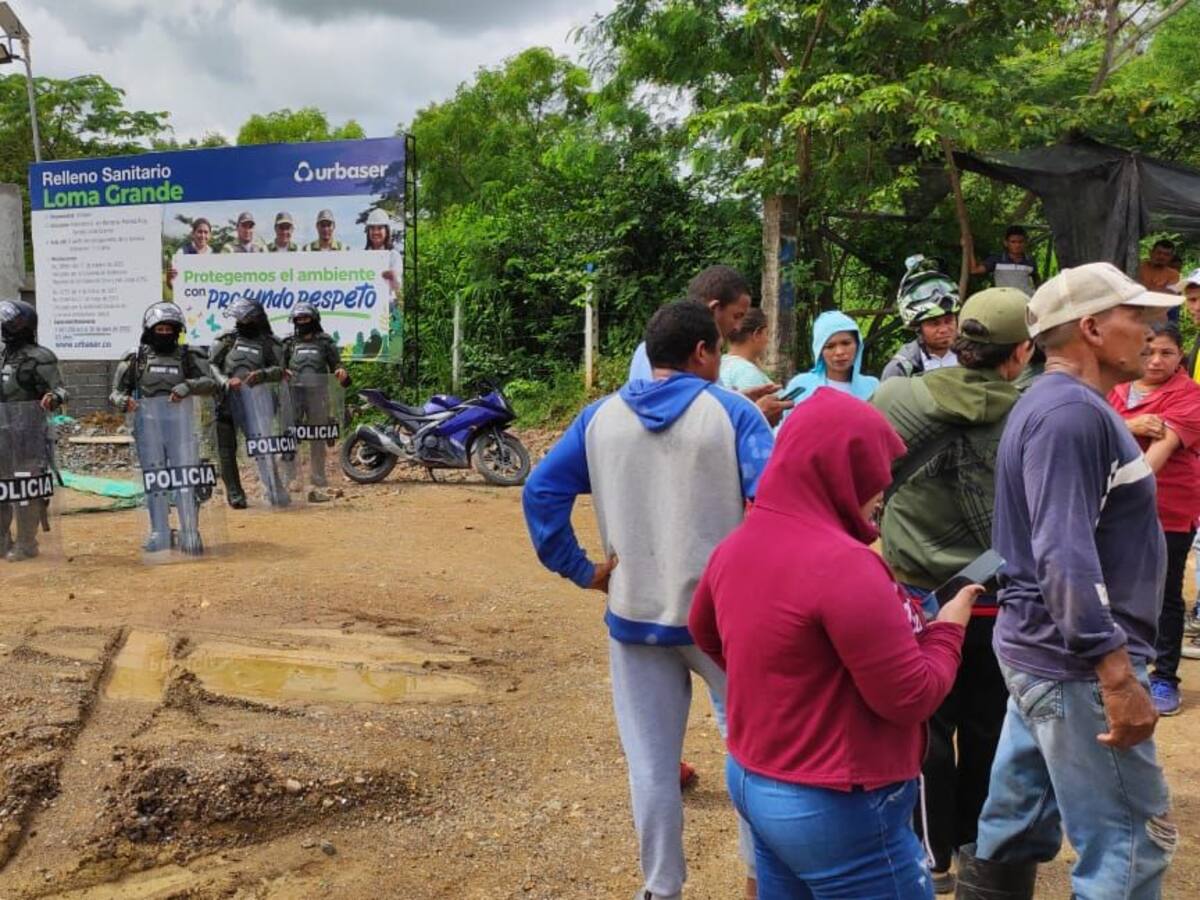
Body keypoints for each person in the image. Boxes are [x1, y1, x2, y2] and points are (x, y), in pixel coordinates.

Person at [523, 300, 774, 900]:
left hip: (634, 616)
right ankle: (757, 880)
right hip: (722, 622)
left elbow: (539, 492)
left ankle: (661, 889)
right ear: (702, 352)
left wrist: (582, 570)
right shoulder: (735, 415)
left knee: (652, 767)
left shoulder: (600, 418)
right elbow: (775, 507)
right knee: (752, 754)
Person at [689, 388, 975, 900]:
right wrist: (948, 629)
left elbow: (705, 632)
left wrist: (789, 684)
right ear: (840, 472)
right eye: (872, 478)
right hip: (836, 797)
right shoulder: (846, 564)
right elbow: (910, 697)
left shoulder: (737, 544)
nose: (881, 494)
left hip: (758, 778)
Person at [958, 262, 1179, 900]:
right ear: (1090, 328)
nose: (1150, 329)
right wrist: (1114, 672)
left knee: (1015, 823)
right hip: (1077, 667)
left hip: (1045, 655)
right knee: (1131, 843)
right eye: (1135, 316)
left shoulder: (1056, 407)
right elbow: (1064, 554)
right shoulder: (1072, 418)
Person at [870, 287, 1033, 894]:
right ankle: (975, 845)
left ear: (956, 337)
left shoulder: (894, 398)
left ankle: (932, 856)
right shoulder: (1026, 413)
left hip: (917, 596)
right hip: (994, 596)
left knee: (927, 729)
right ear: (1020, 352)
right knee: (990, 726)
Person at [1107, 321, 1200, 713]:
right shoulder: (1114, 389)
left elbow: (1156, 457)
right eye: (1148, 351)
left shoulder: (1190, 397)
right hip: (1111, 509)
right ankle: (1124, 670)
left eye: (1166, 352)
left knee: (1164, 594)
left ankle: (1163, 677)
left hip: (1166, 510)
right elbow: (1089, 429)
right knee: (1113, 591)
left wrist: (1118, 431)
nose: (1156, 360)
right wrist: (1130, 424)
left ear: (1181, 357)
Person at [110, 302, 217, 554]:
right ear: (149, 329)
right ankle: (159, 531)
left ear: (178, 330)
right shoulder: (136, 358)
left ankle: (190, 530)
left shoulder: (190, 355)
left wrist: (188, 386)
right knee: (155, 481)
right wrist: (124, 401)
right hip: (148, 429)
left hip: (181, 428)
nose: (165, 332)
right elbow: (115, 392)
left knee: (184, 480)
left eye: (170, 328)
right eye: (160, 327)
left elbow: (210, 383)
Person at [630, 266, 791, 426]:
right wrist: (754, 414)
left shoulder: (704, 353)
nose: (738, 327)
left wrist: (739, 400)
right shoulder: (663, 351)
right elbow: (671, 422)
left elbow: (701, 405)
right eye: (736, 316)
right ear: (713, 310)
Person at [0, 299, 67, 562]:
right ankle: (2, 540)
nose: (6, 326)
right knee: (3, 487)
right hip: (2, 434)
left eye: (12, 322)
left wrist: (52, 397)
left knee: (25, 488)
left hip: (28, 433)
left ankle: (27, 543)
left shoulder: (41, 357)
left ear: (25, 325)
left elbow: (61, 389)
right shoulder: (3, 355)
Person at [209, 298, 287, 509]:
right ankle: (235, 493)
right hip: (227, 402)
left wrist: (260, 375)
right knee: (226, 450)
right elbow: (212, 366)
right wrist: (225, 381)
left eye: (245, 318)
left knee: (262, 446)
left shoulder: (270, 343)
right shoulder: (226, 340)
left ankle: (274, 488)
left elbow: (281, 370)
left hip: (257, 403)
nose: (240, 322)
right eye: (238, 318)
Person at [283, 301, 349, 491]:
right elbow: (278, 366)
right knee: (290, 434)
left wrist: (341, 372)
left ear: (314, 319)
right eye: (299, 319)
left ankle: (318, 474)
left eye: (306, 318)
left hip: (318, 394)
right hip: (293, 394)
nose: (302, 321)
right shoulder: (288, 343)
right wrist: (282, 372)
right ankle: (290, 475)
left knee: (318, 434)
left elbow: (337, 364)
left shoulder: (325, 342)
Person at [778, 310, 879, 421]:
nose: (839, 352)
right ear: (819, 350)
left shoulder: (872, 387)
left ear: (858, 344)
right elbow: (786, 431)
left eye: (846, 343)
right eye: (830, 346)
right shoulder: (801, 387)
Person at [881, 256, 960, 380]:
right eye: (935, 323)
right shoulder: (899, 370)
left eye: (948, 321)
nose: (944, 329)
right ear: (918, 327)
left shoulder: (977, 357)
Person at [968, 226, 1040, 296]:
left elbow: (1036, 281)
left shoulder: (1030, 261)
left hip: (1025, 302)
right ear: (1006, 243)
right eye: (1013, 242)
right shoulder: (997, 260)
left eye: (1020, 242)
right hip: (1003, 302)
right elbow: (974, 270)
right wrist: (969, 247)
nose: (1017, 245)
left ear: (1025, 243)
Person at [718, 308, 772, 391]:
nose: (768, 340)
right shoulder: (746, 372)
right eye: (767, 333)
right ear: (756, 334)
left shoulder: (719, 364)